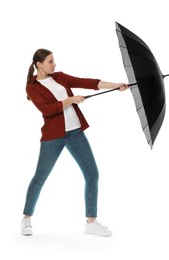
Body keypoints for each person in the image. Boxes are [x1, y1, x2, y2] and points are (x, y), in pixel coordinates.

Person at [21, 48, 129, 237]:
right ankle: (26, 218)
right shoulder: (32, 87)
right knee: (40, 178)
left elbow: (87, 82)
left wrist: (116, 85)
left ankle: (91, 222)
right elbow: (47, 110)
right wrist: (70, 99)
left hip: (75, 133)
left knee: (92, 174)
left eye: (54, 61)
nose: (54, 64)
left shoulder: (59, 77)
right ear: (39, 64)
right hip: (54, 136)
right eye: (50, 61)